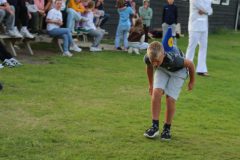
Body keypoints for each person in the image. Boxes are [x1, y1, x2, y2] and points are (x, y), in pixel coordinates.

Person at [143, 27, 195, 140]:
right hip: (164, 69)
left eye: (157, 61)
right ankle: (154, 126)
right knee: (156, 93)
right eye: (153, 62)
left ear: (163, 55)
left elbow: (190, 64)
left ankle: (167, 128)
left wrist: (191, 82)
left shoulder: (174, 59)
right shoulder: (150, 57)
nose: (155, 64)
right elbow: (149, 68)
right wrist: (151, 85)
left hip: (178, 71)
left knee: (170, 99)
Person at [185, 0, 213, 76]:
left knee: (204, 47)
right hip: (195, 26)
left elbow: (210, 11)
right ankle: (186, 68)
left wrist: (205, 11)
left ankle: (201, 69)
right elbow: (203, 7)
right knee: (192, 47)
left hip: (204, 26)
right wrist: (207, 10)